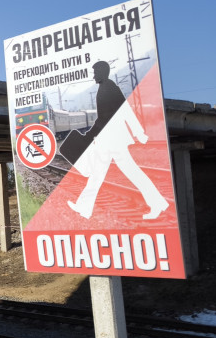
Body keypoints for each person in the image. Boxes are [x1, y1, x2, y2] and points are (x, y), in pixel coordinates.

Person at [67, 61, 168, 220]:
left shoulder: (109, 88)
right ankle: (84, 208)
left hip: (113, 140)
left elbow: (115, 113)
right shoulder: (106, 87)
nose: (93, 75)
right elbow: (114, 114)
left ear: (102, 72)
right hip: (109, 140)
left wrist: (137, 132)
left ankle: (157, 203)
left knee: (127, 172)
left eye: (95, 72)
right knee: (98, 174)